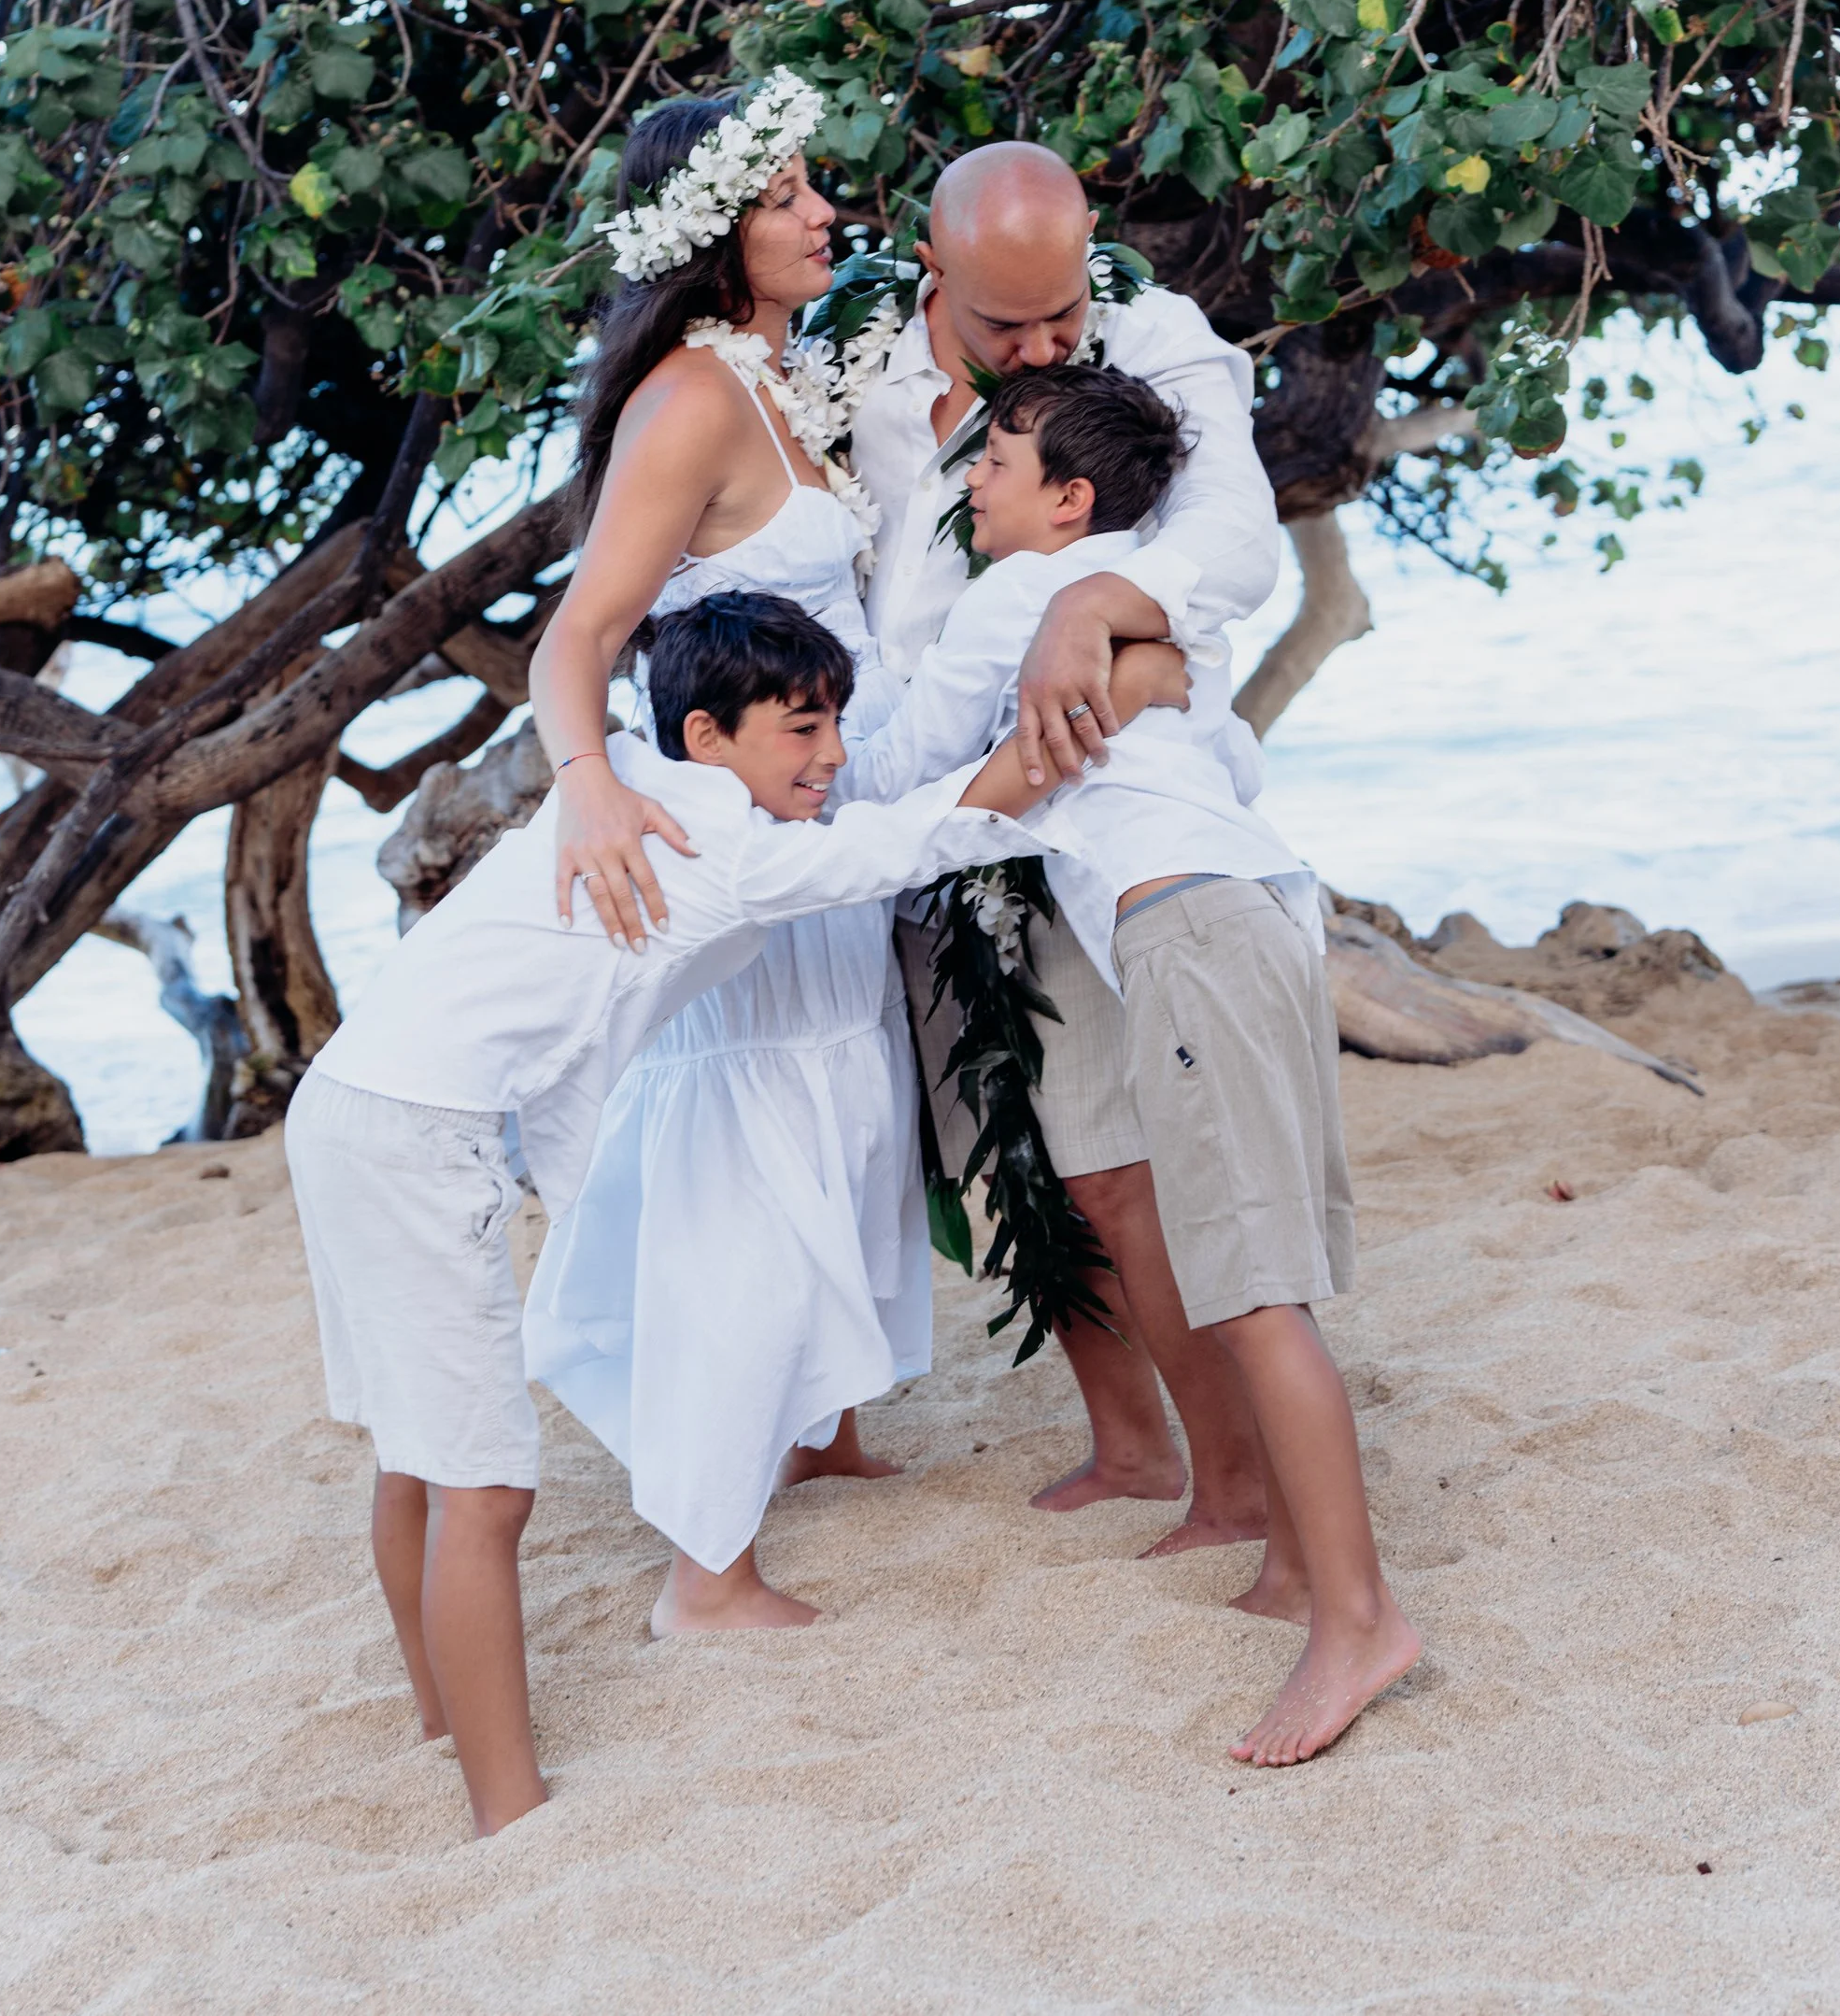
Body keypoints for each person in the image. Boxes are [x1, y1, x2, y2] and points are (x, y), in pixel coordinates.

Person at [285, 591, 1185, 1833]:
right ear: (707, 735)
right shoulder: (722, 850)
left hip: (347, 1104)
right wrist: (1101, 703)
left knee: (416, 1453)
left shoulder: (629, 799)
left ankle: (448, 1722)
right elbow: (928, 837)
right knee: (484, 1489)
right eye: (801, 726)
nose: (831, 755)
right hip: (415, 1139)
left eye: (836, 723)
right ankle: (510, 1814)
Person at [850, 364, 1420, 1765]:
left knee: (1253, 1288)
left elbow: (901, 774)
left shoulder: (1020, 602)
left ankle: (1356, 1619)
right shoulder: (1155, 593)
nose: (971, 479)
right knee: (1249, 1273)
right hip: (1256, 905)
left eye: (999, 461)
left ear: (1071, 498)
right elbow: (1219, 751)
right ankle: (1293, 1565)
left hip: (1186, 927)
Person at [522, 72, 928, 1635]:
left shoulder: (786, 376)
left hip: (821, 802)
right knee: (752, 1153)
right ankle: (708, 1566)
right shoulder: (690, 400)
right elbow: (582, 638)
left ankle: (819, 1433)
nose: (825, 211)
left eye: (818, 183)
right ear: (710, 237)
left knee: (845, 1108)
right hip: (746, 825)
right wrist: (588, 785)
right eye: (784, 197)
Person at [841, 141, 1284, 1532]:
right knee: (1003, 1145)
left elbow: (1239, 545)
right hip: (917, 806)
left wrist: (1082, 607)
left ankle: (1231, 1471)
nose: (1043, 344)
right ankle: (1127, 1439)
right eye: (1004, 325)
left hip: (1069, 782)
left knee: (1110, 1160)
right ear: (932, 263)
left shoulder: (1151, 337)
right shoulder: (854, 370)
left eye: (1059, 317)